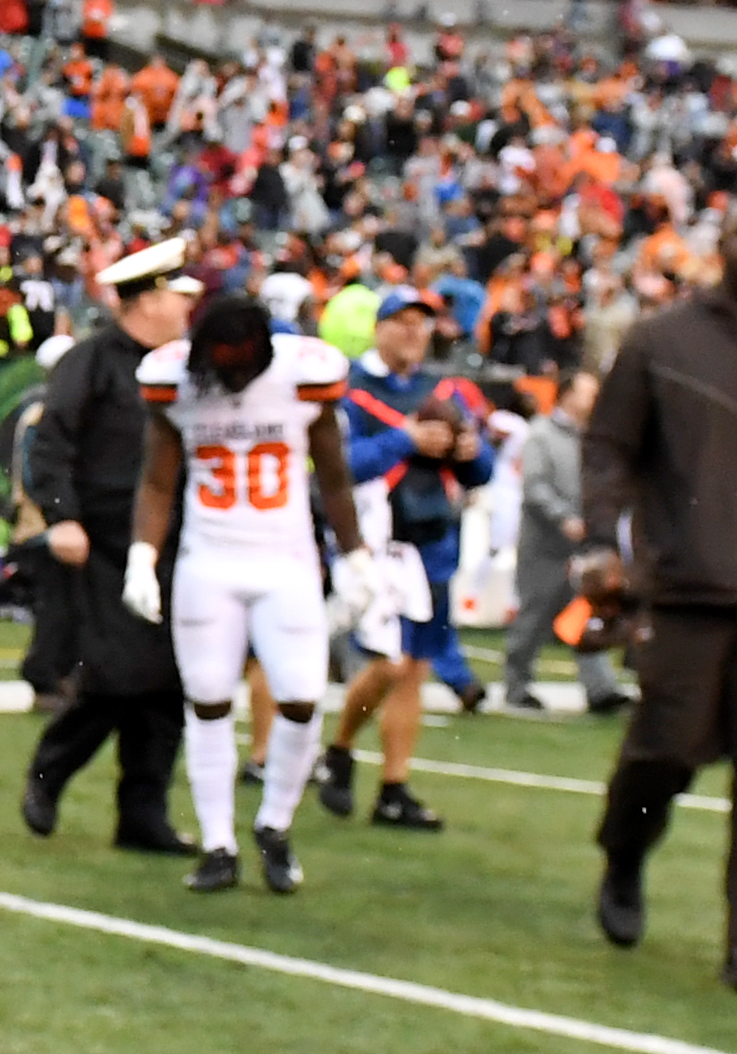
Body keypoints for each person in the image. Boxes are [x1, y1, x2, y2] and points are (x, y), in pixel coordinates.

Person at [127, 293, 372, 895]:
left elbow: (334, 476)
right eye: (222, 362)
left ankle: (275, 824)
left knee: (302, 697)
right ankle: (218, 843)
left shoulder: (302, 375)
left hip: (285, 560)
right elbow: (158, 481)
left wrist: (357, 555)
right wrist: (142, 556)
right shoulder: (173, 380)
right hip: (207, 561)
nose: (233, 375)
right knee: (208, 699)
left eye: (243, 363)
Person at [20, 236, 200, 855]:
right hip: (103, 542)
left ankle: (142, 815)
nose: (185, 308)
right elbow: (52, 443)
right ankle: (48, 775)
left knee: (170, 683)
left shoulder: (184, 366)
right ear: (145, 299)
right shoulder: (91, 361)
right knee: (118, 674)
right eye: (177, 295)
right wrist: (62, 517)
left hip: (174, 541)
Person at [590, 253, 737, 964]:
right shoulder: (662, 340)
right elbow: (610, 448)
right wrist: (598, 540)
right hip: (688, 584)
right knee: (666, 750)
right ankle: (624, 852)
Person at [315, 288, 492, 831]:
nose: (415, 333)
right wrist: (405, 439)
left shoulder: (442, 389)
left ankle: (393, 785)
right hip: (375, 539)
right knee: (388, 662)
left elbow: (480, 469)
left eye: (423, 323)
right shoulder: (348, 389)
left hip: (430, 536)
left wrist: (469, 452)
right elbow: (338, 466)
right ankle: (341, 747)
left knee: (413, 667)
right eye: (404, 322)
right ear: (379, 327)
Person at [505, 371, 625, 714]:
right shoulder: (541, 434)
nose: (594, 399)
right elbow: (535, 486)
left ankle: (601, 689)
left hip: (584, 543)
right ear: (567, 395)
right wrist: (563, 518)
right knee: (534, 615)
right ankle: (517, 686)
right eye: (588, 392)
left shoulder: (593, 437)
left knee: (586, 613)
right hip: (544, 545)